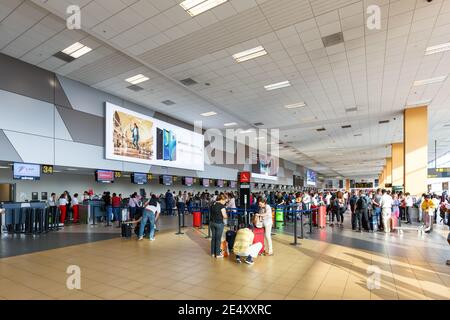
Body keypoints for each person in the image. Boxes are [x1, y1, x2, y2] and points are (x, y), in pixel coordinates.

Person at [209, 194, 228, 258]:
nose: (225, 202)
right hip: (219, 224)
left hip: (212, 223)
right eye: (225, 201)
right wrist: (226, 215)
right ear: (222, 199)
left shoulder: (212, 204)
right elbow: (224, 216)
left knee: (213, 238)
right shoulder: (222, 206)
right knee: (218, 239)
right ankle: (217, 254)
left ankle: (212, 253)